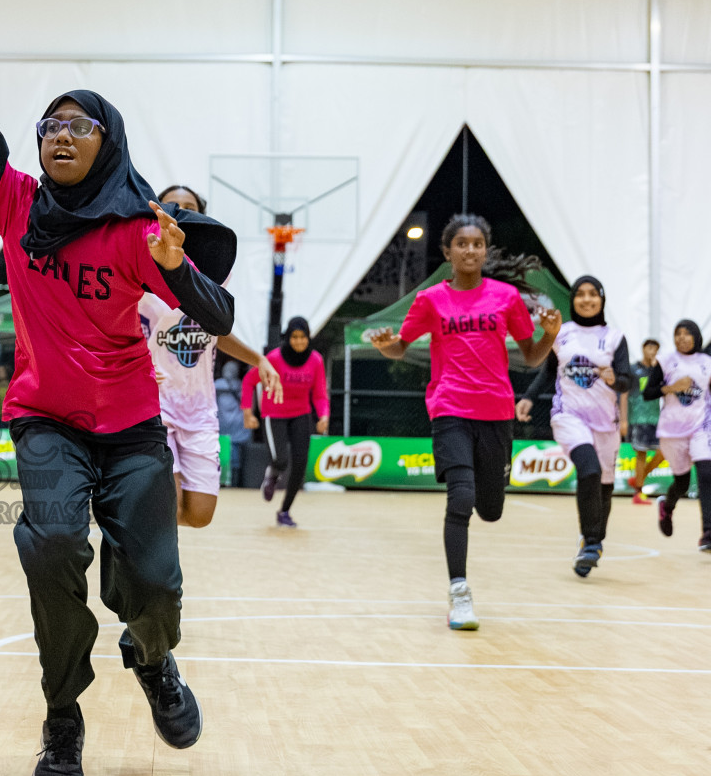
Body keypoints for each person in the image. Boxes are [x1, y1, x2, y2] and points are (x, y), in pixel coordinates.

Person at [0, 0, 237, 776]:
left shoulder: (137, 232)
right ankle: (62, 718)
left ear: (107, 143)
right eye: (49, 124)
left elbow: (221, 319)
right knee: (50, 547)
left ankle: (154, 661)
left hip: (130, 430)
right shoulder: (16, 206)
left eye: (77, 125)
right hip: (47, 421)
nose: (58, 134)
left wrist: (178, 266)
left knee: (156, 586)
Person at [370, 214, 559, 630]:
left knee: (489, 510)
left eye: (477, 244)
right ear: (447, 252)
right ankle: (460, 592)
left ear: (485, 251)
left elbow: (530, 356)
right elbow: (402, 347)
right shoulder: (431, 300)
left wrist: (550, 335)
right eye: (462, 243)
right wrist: (387, 347)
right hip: (450, 407)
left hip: (497, 412)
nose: (470, 250)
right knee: (460, 498)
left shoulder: (507, 298)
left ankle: (482, 505)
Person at [141, 187, 281, 529]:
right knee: (166, 510)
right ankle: (153, 576)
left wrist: (258, 359)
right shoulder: (141, 263)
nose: (181, 212)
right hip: (153, 402)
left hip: (199, 409)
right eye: (174, 206)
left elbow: (217, 329)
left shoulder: (216, 272)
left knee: (199, 515)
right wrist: (135, 366)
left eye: (190, 208)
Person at [515, 277, 631, 576]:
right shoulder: (562, 333)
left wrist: (613, 379)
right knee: (588, 469)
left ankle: (593, 544)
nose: (587, 299)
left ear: (602, 300)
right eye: (580, 294)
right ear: (573, 300)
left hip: (606, 422)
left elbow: (627, 380)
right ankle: (591, 541)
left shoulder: (615, 338)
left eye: (593, 294)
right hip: (569, 416)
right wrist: (528, 397)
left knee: (604, 486)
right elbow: (548, 371)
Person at [242, 317, 328, 529]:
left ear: (309, 338)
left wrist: (324, 415)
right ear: (288, 338)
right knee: (281, 460)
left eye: (303, 337)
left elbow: (319, 394)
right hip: (275, 412)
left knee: (299, 466)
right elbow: (249, 381)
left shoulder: (316, 360)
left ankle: (285, 511)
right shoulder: (274, 358)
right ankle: (272, 474)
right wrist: (247, 412)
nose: (299, 342)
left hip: (301, 414)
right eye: (295, 337)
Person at [642, 320, 711, 551]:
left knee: (706, 473)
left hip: (701, 427)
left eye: (687, 333)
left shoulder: (706, 363)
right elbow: (648, 393)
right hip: (672, 431)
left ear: (696, 337)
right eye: (677, 333)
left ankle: (708, 533)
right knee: (681, 483)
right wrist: (672, 387)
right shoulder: (666, 361)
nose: (681, 338)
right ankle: (667, 505)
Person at [624, 338, 665, 503]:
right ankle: (638, 494)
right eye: (649, 348)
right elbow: (625, 393)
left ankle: (638, 479)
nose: (652, 351)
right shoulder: (634, 370)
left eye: (655, 348)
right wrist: (624, 419)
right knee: (641, 453)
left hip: (655, 417)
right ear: (643, 349)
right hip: (638, 416)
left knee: (664, 452)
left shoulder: (658, 371)